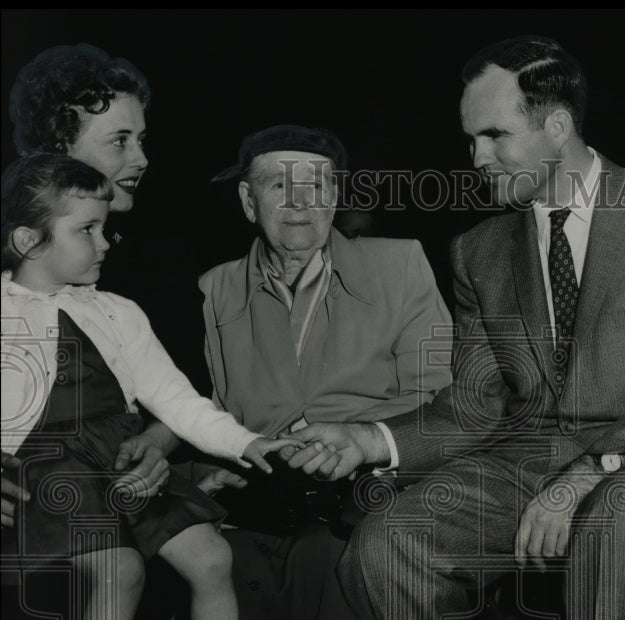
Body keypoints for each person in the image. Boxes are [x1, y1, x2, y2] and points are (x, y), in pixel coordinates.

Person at [281, 35, 625, 620]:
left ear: (558, 127)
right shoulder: (479, 251)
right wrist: (367, 439)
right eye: (471, 139)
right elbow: (475, 406)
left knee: (614, 515)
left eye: (495, 135)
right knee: (391, 540)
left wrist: (585, 472)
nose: (477, 158)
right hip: (526, 463)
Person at [0, 153, 299, 619]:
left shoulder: (119, 312)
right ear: (28, 241)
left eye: (104, 228)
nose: (105, 243)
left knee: (214, 558)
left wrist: (247, 442)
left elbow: (176, 399)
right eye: (87, 230)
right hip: (49, 467)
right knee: (119, 570)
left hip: (122, 459)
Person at [186, 124, 453, 619]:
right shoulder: (213, 290)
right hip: (257, 504)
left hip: (368, 493)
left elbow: (438, 395)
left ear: (335, 197)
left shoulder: (400, 264)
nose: (299, 203)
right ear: (249, 201)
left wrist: (357, 437)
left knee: (333, 565)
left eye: (315, 187)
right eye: (279, 187)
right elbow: (211, 408)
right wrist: (210, 462)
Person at [3, 43, 178, 542]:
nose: (141, 158)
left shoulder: (163, 260)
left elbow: (185, 386)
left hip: (132, 496)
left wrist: (158, 443)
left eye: (142, 139)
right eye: (119, 141)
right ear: (57, 150)